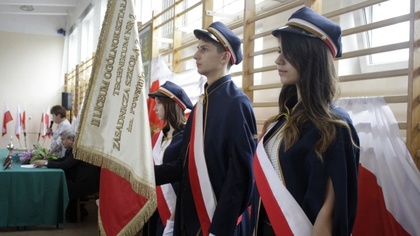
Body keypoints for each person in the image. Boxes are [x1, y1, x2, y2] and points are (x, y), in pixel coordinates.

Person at [252, 6, 360, 235]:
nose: (278, 60)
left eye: (287, 52)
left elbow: (329, 215)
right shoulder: (281, 121)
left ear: (310, 55)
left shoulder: (335, 126)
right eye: (279, 51)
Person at [154, 21, 258, 235]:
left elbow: (240, 177)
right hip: (191, 220)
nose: (195, 55)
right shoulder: (201, 106)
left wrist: (217, 230)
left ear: (224, 57)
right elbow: (183, 166)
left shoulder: (237, 104)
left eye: (204, 49)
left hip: (219, 224)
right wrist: (143, 174)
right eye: (197, 48)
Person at [144, 81, 193, 236]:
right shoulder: (158, 136)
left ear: (171, 105)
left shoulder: (187, 136)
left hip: (176, 210)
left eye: (159, 103)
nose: (154, 108)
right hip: (157, 207)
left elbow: (185, 177)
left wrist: (172, 220)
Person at [33, 129, 100, 222]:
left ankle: (73, 213)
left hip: (86, 183)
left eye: (63, 139)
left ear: (71, 139)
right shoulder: (73, 149)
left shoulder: (78, 150)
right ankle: (74, 212)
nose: (61, 142)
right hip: (80, 179)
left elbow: (65, 165)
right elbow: (63, 160)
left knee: (62, 186)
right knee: (62, 184)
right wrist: (47, 161)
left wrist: (46, 163)